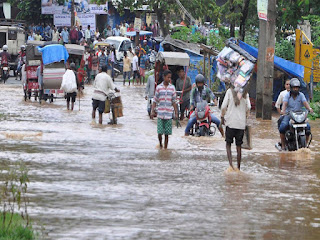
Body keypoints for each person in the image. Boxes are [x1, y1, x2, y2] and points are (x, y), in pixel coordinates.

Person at [220, 86, 251, 170]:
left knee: (228, 144)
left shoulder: (230, 91)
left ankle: (230, 165)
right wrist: (246, 116)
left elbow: (223, 107)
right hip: (241, 124)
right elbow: (249, 107)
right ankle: (238, 167)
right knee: (239, 146)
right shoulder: (245, 93)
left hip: (230, 122)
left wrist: (222, 116)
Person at [278, 78, 313, 150]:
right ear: (291, 88)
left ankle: (305, 145)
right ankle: (283, 145)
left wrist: (309, 109)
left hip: (299, 115)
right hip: (289, 114)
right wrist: (283, 111)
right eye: (294, 87)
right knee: (283, 127)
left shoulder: (301, 95)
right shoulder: (287, 95)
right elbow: (284, 103)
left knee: (308, 127)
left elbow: (305, 103)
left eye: (297, 88)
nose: (295, 89)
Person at [151, 70, 178, 149]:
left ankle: (165, 148)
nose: (169, 79)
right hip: (160, 113)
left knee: (167, 133)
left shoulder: (172, 88)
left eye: (170, 77)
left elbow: (174, 101)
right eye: (168, 77)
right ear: (164, 77)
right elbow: (155, 100)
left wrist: (176, 113)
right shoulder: (159, 88)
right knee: (159, 132)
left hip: (169, 114)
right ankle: (160, 144)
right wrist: (152, 111)